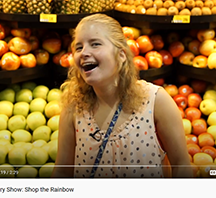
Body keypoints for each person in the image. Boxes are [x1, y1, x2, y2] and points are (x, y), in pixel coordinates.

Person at [51, 13, 193, 178]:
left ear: (121, 54)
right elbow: (62, 172)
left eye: (95, 44)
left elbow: (181, 165)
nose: (84, 53)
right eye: (78, 47)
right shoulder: (74, 108)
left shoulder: (156, 101)